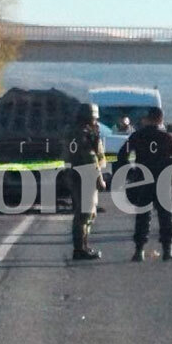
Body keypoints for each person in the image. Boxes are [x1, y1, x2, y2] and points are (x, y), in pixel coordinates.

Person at [117, 106, 172, 261]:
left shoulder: (136, 136)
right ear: (160, 119)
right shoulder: (168, 138)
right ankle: (168, 250)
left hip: (142, 180)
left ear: (147, 119)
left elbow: (122, 156)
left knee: (142, 215)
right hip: (163, 181)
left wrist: (130, 172)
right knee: (166, 216)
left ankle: (139, 251)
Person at [65, 102, 107, 260]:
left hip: (76, 175)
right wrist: (100, 180)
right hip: (85, 176)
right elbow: (90, 158)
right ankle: (80, 249)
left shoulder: (74, 131)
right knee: (85, 214)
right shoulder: (83, 134)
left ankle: (83, 246)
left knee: (86, 213)